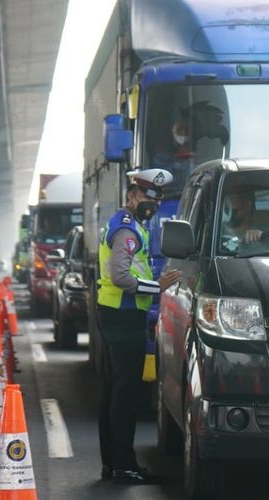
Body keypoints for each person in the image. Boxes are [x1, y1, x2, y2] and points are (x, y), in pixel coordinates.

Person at [96, 168, 182, 485]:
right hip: (122, 316)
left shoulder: (128, 225)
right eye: (147, 196)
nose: (153, 203)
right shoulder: (128, 231)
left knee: (114, 392)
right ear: (132, 195)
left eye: (157, 198)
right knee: (125, 394)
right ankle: (123, 465)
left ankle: (113, 464)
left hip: (115, 314)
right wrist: (156, 287)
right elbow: (120, 276)